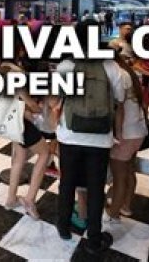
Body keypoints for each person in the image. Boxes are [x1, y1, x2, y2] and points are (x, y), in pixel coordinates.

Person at [55, 20, 125, 255]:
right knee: (96, 188)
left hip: (69, 135)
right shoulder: (111, 66)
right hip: (100, 137)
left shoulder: (66, 65)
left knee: (67, 183)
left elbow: (58, 96)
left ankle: (63, 227)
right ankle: (94, 239)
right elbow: (119, 99)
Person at [1, 62, 50, 220]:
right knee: (45, 153)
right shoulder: (18, 76)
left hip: (11, 123)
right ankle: (30, 199)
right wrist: (38, 109)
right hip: (22, 124)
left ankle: (11, 199)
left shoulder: (6, 71)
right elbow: (31, 104)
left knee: (19, 158)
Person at [105, 55, 147, 222]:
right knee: (129, 170)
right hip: (138, 131)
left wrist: (118, 135)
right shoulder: (129, 73)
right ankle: (126, 206)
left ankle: (114, 213)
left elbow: (119, 109)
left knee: (119, 176)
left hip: (125, 133)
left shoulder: (117, 75)